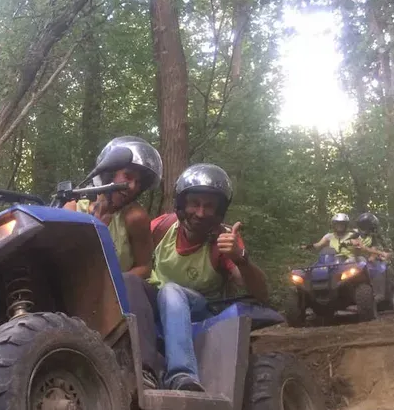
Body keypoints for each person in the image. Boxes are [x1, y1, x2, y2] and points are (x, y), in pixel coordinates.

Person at [124, 164, 269, 392]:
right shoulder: (161, 227)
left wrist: (240, 258)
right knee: (130, 281)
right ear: (182, 205)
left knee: (171, 291)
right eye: (195, 204)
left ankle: (182, 375)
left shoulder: (224, 240)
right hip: (155, 303)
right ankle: (141, 370)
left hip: (200, 310)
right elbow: (134, 259)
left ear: (219, 211)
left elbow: (260, 293)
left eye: (209, 206)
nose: (200, 213)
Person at [64, 136, 159, 279]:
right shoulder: (74, 210)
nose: (132, 186)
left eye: (138, 183)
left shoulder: (134, 218)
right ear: (108, 173)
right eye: (127, 176)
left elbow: (145, 267)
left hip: (127, 289)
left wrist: (109, 286)